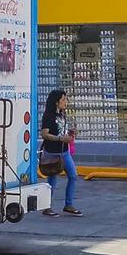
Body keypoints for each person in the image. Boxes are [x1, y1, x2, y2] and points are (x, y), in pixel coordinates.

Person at [39, 89, 81, 217]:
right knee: (52, 179)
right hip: (52, 152)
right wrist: (60, 138)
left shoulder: (62, 114)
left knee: (73, 176)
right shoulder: (48, 116)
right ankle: (47, 206)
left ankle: (68, 204)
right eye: (63, 99)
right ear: (56, 102)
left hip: (64, 151)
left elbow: (59, 129)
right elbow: (44, 134)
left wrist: (69, 133)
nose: (65, 102)